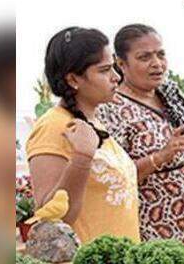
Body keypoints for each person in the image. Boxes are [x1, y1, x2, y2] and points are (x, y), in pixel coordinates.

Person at [97, 24, 184, 264]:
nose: (157, 64)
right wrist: (162, 156)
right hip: (155, 221)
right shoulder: (111, 108)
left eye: (161, 54)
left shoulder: (171, 95)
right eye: (144, 57)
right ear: (121, 63)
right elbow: (114, 177)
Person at [26, 27, 139, 244]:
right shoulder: (54, 127)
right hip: (86, 263)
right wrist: (81, 158)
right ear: (73, 79)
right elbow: (53, 221)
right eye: (104, 70)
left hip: (120, 261)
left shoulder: (94, 123)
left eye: (114, 68)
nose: (116, 77)